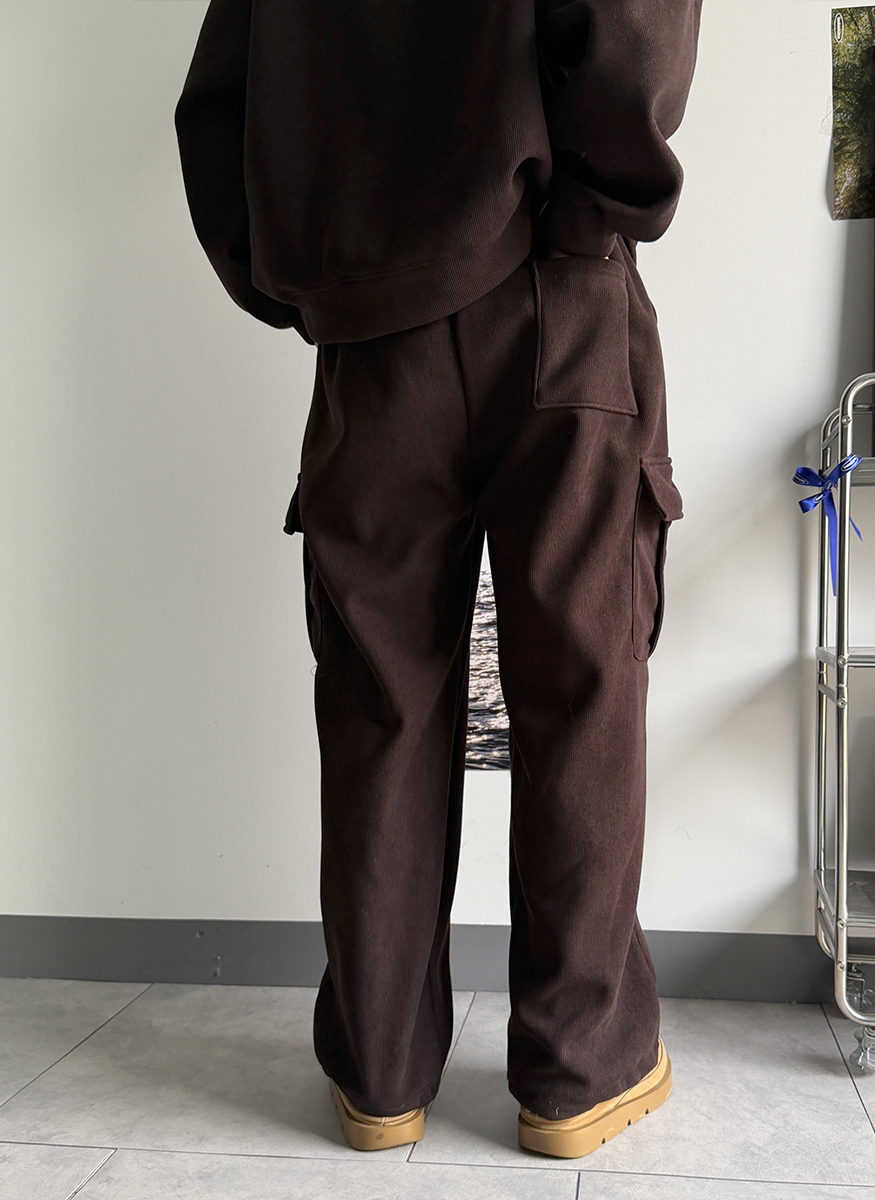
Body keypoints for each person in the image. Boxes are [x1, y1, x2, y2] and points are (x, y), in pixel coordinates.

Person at [175, 0, 702, 1160]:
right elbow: (629, 26)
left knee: (384, 705)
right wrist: (590, 211)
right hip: (558, 299)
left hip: (372, 337)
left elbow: (216, 105)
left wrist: (317, 285)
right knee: (580, 691)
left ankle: (380, 1076)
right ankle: (573, 1076)